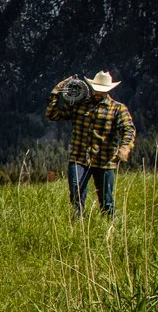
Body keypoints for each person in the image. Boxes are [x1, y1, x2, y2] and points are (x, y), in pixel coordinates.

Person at [46, 71, 136, 219]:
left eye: (102, 90)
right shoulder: (79, 104)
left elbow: (128, 129)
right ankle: (79, 223)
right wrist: (56, 94)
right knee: (76, 194)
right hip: (79, 158)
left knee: (106, 201)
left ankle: (109, 225)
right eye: (97, 89)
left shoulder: (118, 109)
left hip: (104, 161)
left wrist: (125, 147)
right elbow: (53, 115)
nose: (99, 93)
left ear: (108, 90)